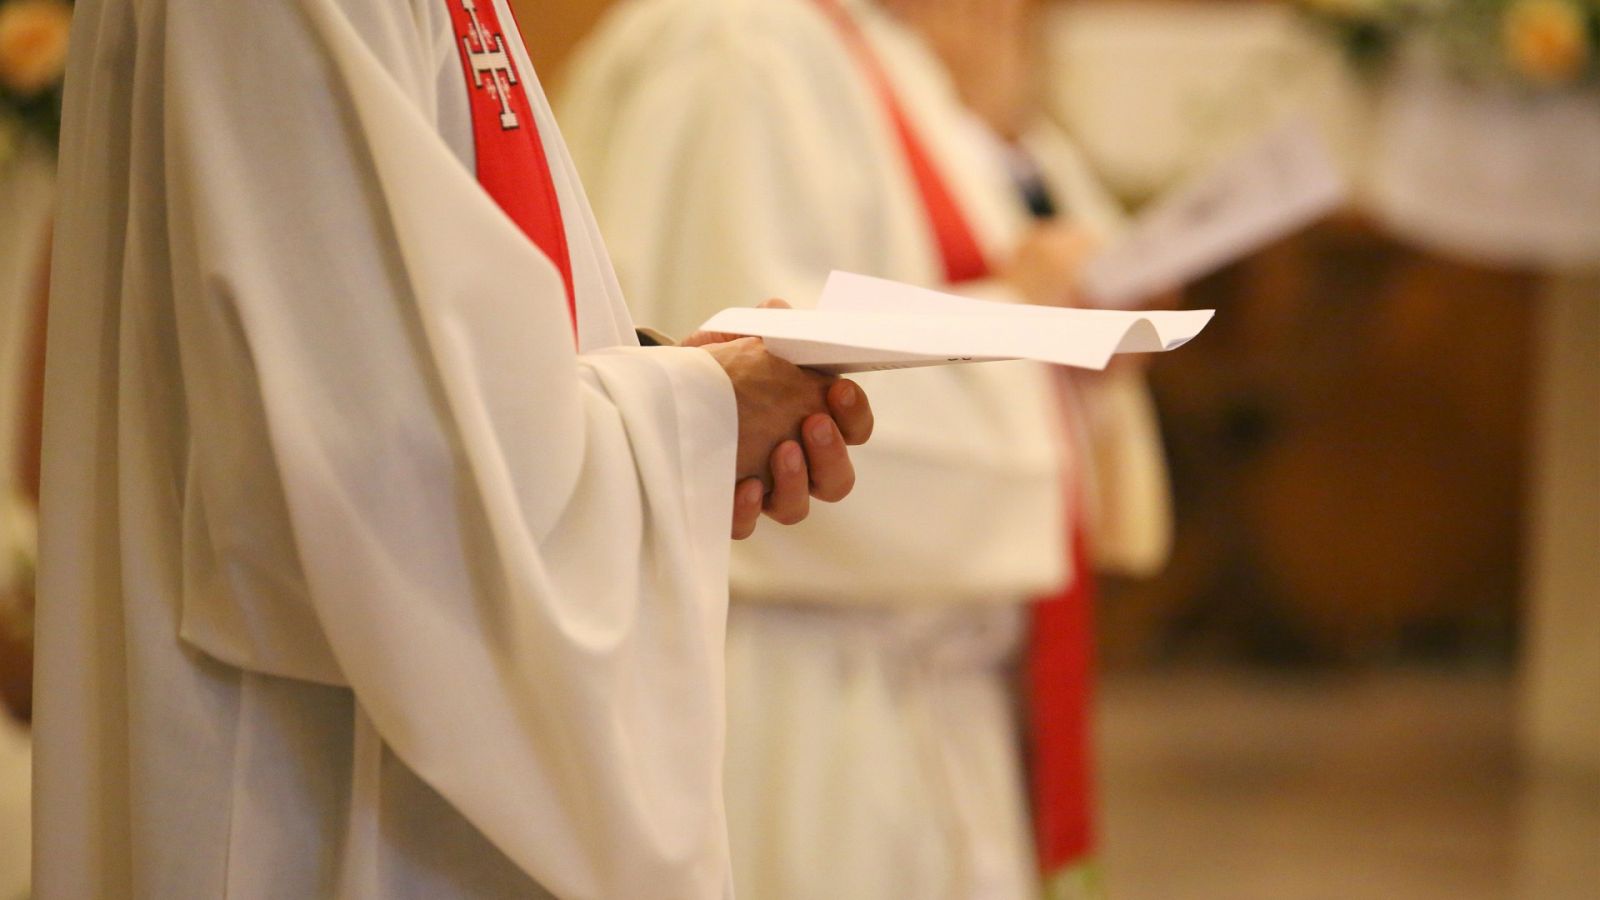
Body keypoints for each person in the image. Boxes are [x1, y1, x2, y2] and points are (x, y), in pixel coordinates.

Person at [32, 0, 876, 897]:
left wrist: (681, 405)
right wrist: (696, 416)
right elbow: (366, 475)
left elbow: (417, 356)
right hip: (311, 798)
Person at [563, 0, 1171, 896]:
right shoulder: (737, 44)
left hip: (915, 679)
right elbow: (739, 386)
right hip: (799, 699)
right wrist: (1033, 333)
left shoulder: (870, 45)